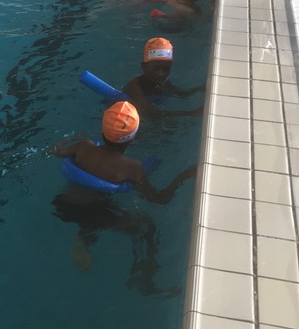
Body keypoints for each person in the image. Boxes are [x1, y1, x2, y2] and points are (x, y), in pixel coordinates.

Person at [49, 102, 197, 294]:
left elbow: (53, 150)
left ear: (103, 130)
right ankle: (144, 279)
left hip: (64, 204)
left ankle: (83, 237)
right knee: (146, 227)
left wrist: (71, 138)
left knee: (94, 205)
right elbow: (159, 199)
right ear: (132, 137)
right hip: (98, 213)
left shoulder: (83, 147)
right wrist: (185, 175)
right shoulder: (132, 168)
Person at [122, 37, 204, 116]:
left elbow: (182, 94)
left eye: (166, 69)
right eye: (155, 69)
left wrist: (200, 88)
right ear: (143, 66)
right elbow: (148, 113)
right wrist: (190, 114)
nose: (161, 74)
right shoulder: (135, 86)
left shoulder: (163, 82)